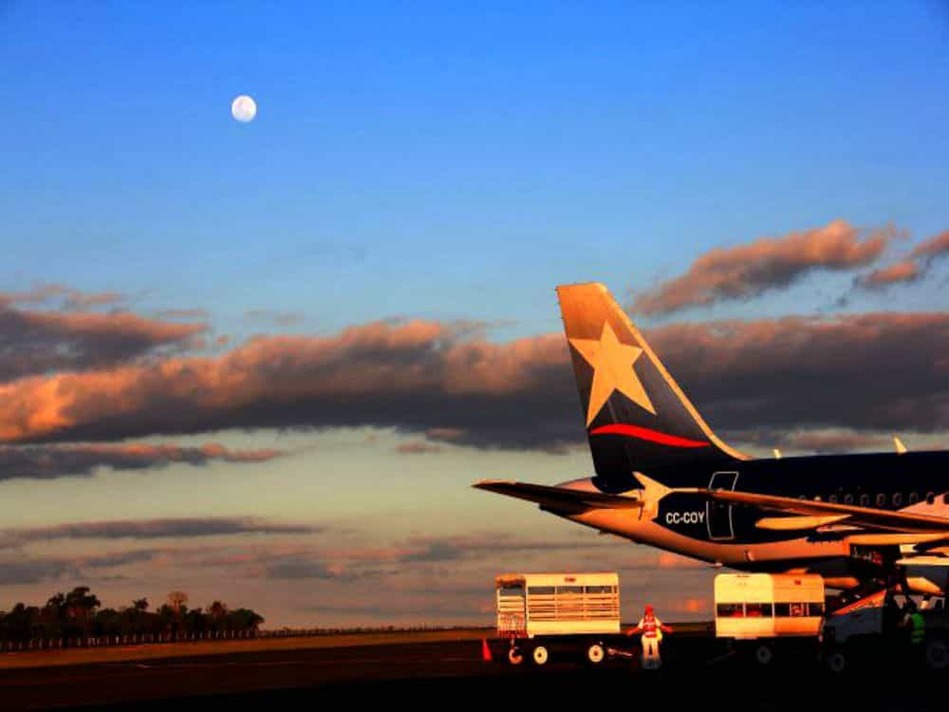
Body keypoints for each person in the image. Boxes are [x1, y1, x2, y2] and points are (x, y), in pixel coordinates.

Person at [626, 604, 673, 669]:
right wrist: (631, 631)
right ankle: (646, 666)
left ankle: (656, 665)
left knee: (655, 652)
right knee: (646, 652)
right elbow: (639, 628)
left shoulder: (655, 619)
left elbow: (660, 626)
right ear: (646, 612)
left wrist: (667, 629)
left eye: (651, 611)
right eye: (649, 611)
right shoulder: (643, 620)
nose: (651, 612)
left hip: (653, 638)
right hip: (646, 638)